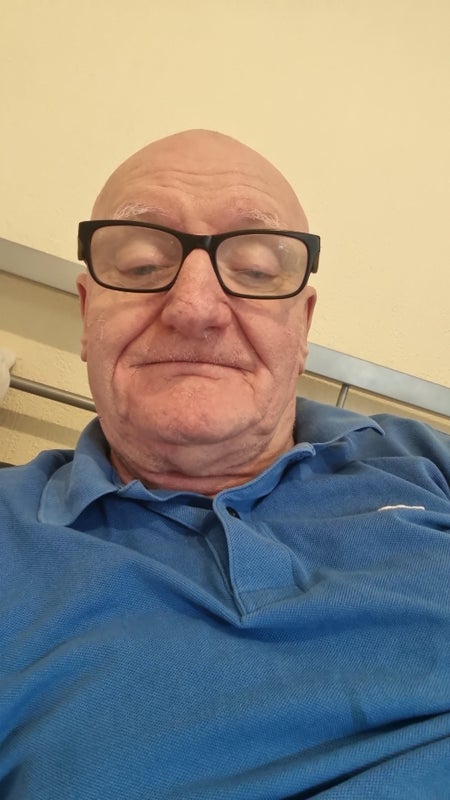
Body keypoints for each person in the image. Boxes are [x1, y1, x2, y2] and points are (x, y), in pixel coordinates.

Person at [0, 129, 449, 799]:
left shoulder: (425, 459)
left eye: (257, 273)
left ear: (302, 326)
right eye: (142, 266)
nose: (194, 309)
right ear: (88, 315)